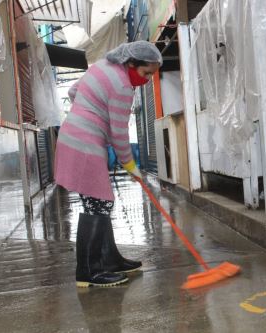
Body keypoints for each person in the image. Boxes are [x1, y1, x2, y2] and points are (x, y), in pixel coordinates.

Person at [54, 41, 162, 287]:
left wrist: (88, 110)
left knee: (99, 202)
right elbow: (119, 133)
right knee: (98, 203)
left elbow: (74, 91)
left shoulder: (102, 66)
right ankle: (89, 272)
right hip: (85, 142)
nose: (146, 80)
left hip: (74, 135)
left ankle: (109, 260)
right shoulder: (123, 85)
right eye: (146, 73)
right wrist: (131, 166)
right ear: (132, 63)